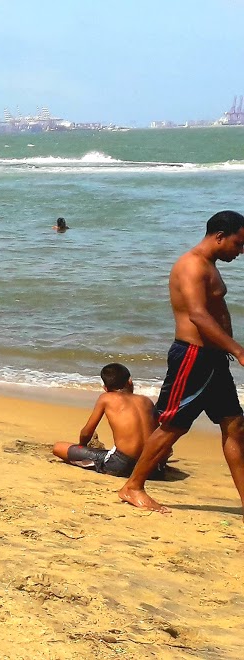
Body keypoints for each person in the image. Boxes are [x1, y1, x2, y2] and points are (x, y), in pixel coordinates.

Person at [119, 210, 244, 513]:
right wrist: (239, 351)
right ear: (219, 236)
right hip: (193, 357)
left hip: (213, 359)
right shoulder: (191, 265)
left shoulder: (209, 265)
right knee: (173, 425)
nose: (241, 251)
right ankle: (132, 486)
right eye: (239, 244)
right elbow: (198, 316)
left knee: (235, 426)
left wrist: (226, 350)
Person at [53, 363, 159, 478]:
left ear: (105, 388)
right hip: (153, 467)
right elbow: (159, 434)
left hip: (122, 464)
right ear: (130, 381)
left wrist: (82, 447)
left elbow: (87, 432)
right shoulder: (147, 401)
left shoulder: (106, 398)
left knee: (58, 447)